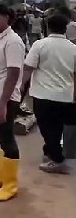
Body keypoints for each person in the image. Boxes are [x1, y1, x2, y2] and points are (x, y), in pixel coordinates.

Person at [21, 12, 76, 174]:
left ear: (47, 26)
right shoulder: (73, 48)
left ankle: (57, 160)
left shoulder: (40, 45)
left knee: (47, 128)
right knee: (58, 127)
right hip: (66, 95)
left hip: (43, 94)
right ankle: (51, 151)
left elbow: (28, 68)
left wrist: (20, 87)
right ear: (65, 28)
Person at [0, 2, 26, 202]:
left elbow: (13, 72)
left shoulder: (13, 41)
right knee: (1, 136)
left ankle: (11, 185)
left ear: (7, 18)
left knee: (8, 138)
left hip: (6, 98)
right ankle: (3, 177)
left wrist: (2, 104)